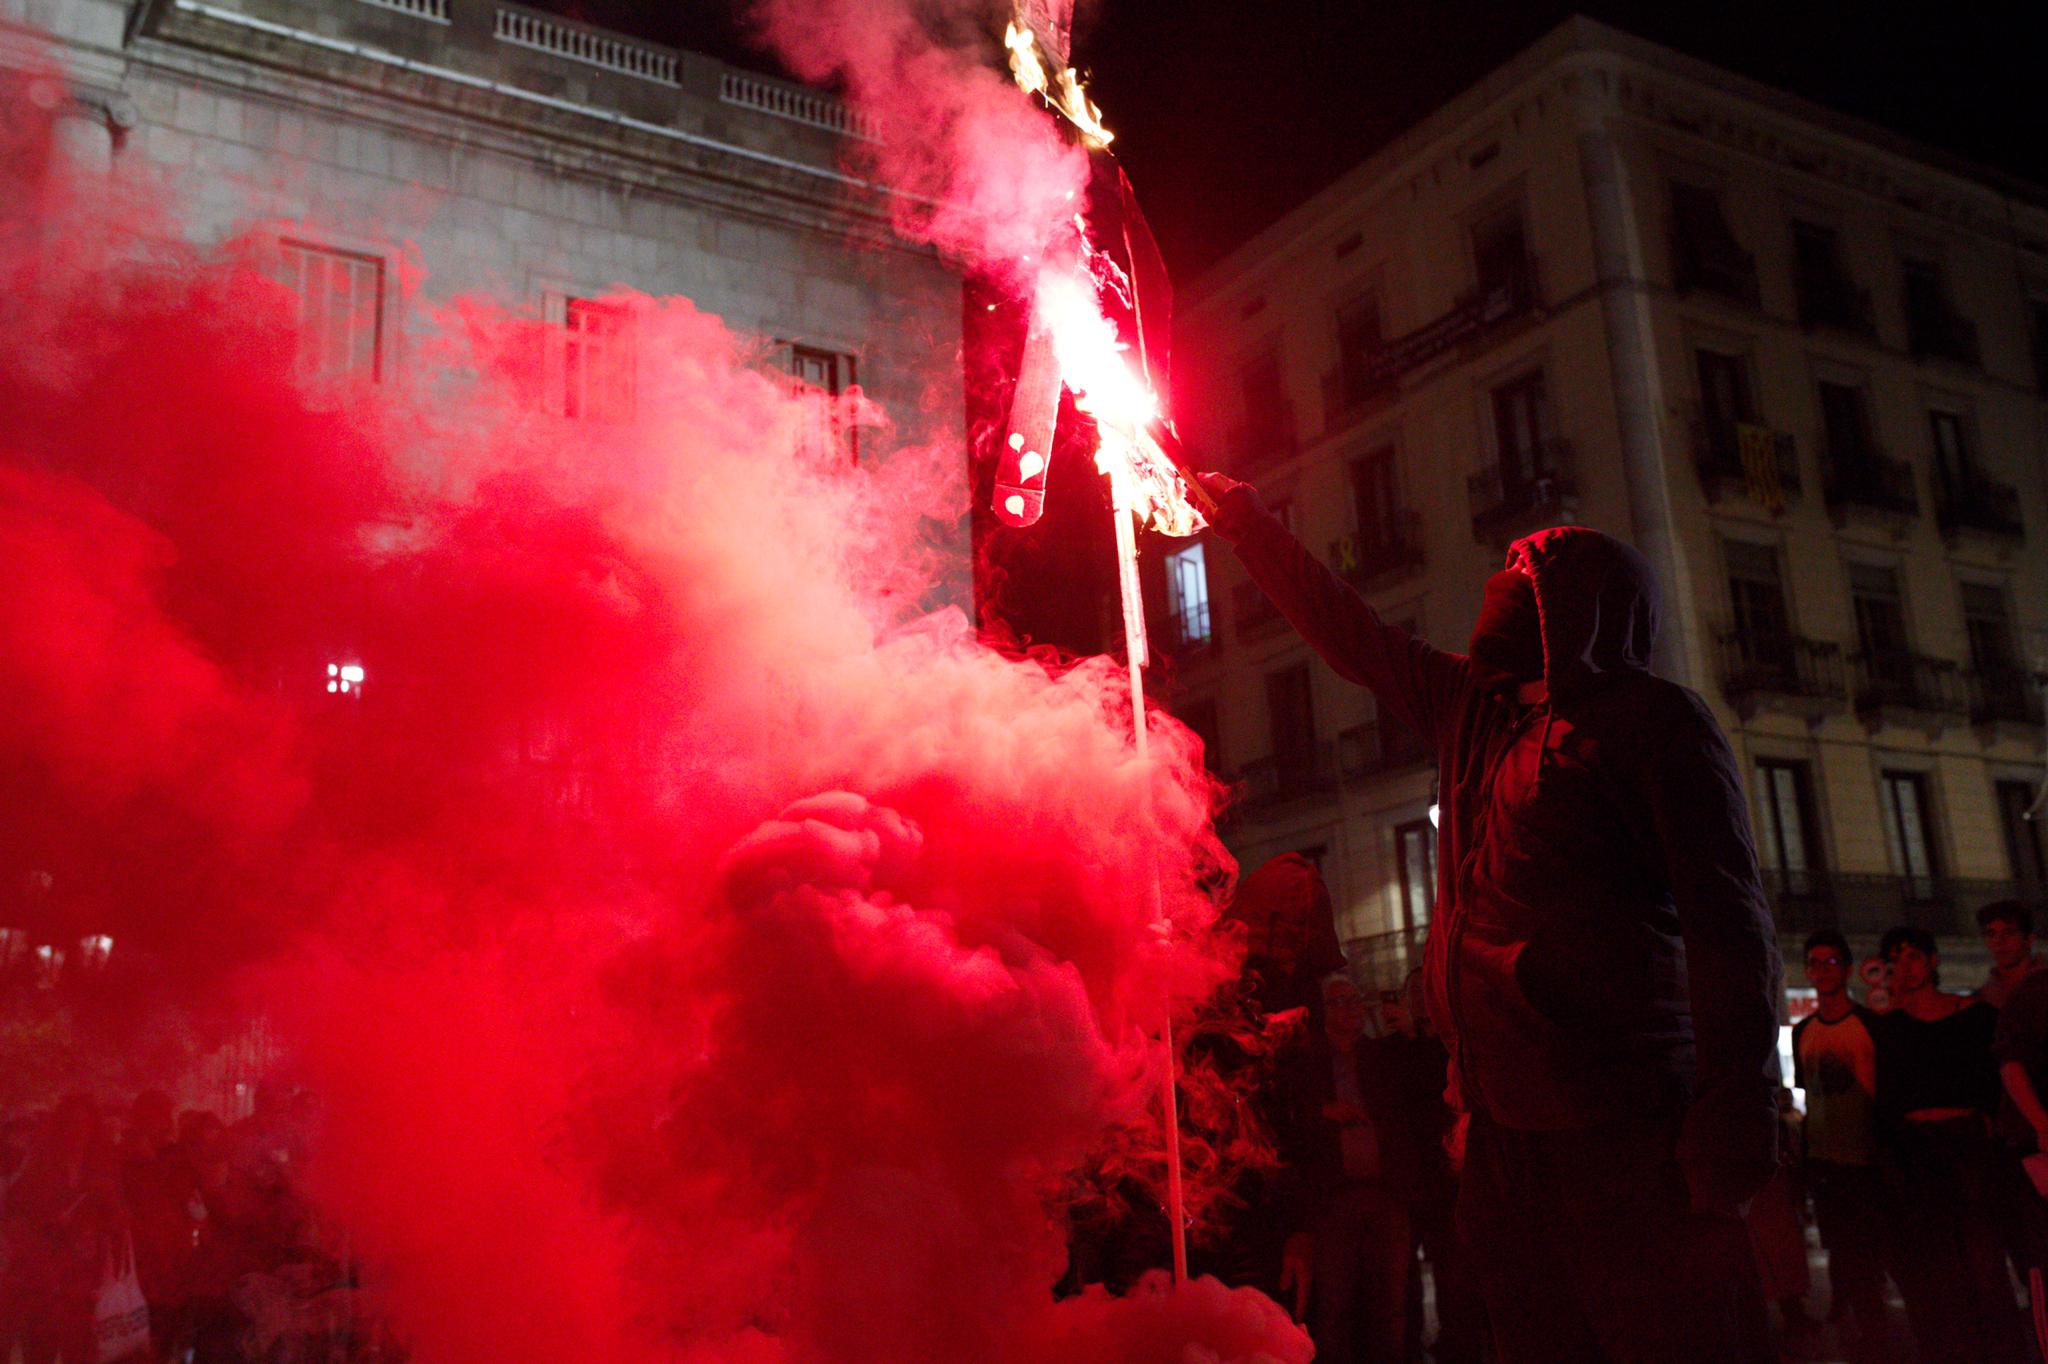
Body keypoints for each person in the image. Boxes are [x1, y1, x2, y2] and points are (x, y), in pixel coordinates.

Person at [1197, 479, 1782, 1363]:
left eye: (1527, 574)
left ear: (1578, 609)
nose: (1503, 582)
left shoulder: (1653, 725)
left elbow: (1728, 922)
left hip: (1626, 1125)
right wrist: (1245, 520)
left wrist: (1735, 1113)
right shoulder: (1474, 713)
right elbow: (1353, 634)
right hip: (1506, 1133)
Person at [1871, 925, 2024, 1362]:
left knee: (1983, 1259)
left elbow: (1998, 1081)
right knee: (1937, 1263)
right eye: (1896, 959)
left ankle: (2002, 1349)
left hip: (1968, 1145)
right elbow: (1886, 1096)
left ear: (1933, 961)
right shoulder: (1892, 1028)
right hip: (1917, 1151)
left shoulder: (1974, 1017)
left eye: (1914, 956)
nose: (1906, 966)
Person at [1789, 929, 1892, 1355]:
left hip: (1866, 1157)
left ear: (1847, 969)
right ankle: (1854, 1316)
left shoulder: (1870, 1026)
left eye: (1831, 962)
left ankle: (1872, 1324)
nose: (1822, 970)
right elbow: (1808, 1092)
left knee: (1865, 1247)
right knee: (1838, 1242)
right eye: (1815, 962)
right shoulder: (1804, 1032)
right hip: (1825, 1157)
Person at [1301, 974, 1409, 1362]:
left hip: (1384, 1191)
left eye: (1355, 998)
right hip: (1336, 1196)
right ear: (1325, 1011)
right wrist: (1322, 1112)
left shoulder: (1381, 1057)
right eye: (1341, 1001)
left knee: (1389, 1302)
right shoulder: (1311, 1064)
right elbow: (1292, 1115)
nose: (1352, 1007)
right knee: (1335, 1304)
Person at [1976, 899, 2045, 1009]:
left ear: (2028, 939)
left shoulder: (2042, 985)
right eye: (1991, 934)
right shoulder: (1984, 996)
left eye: (2009, 933)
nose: (1999, 941)